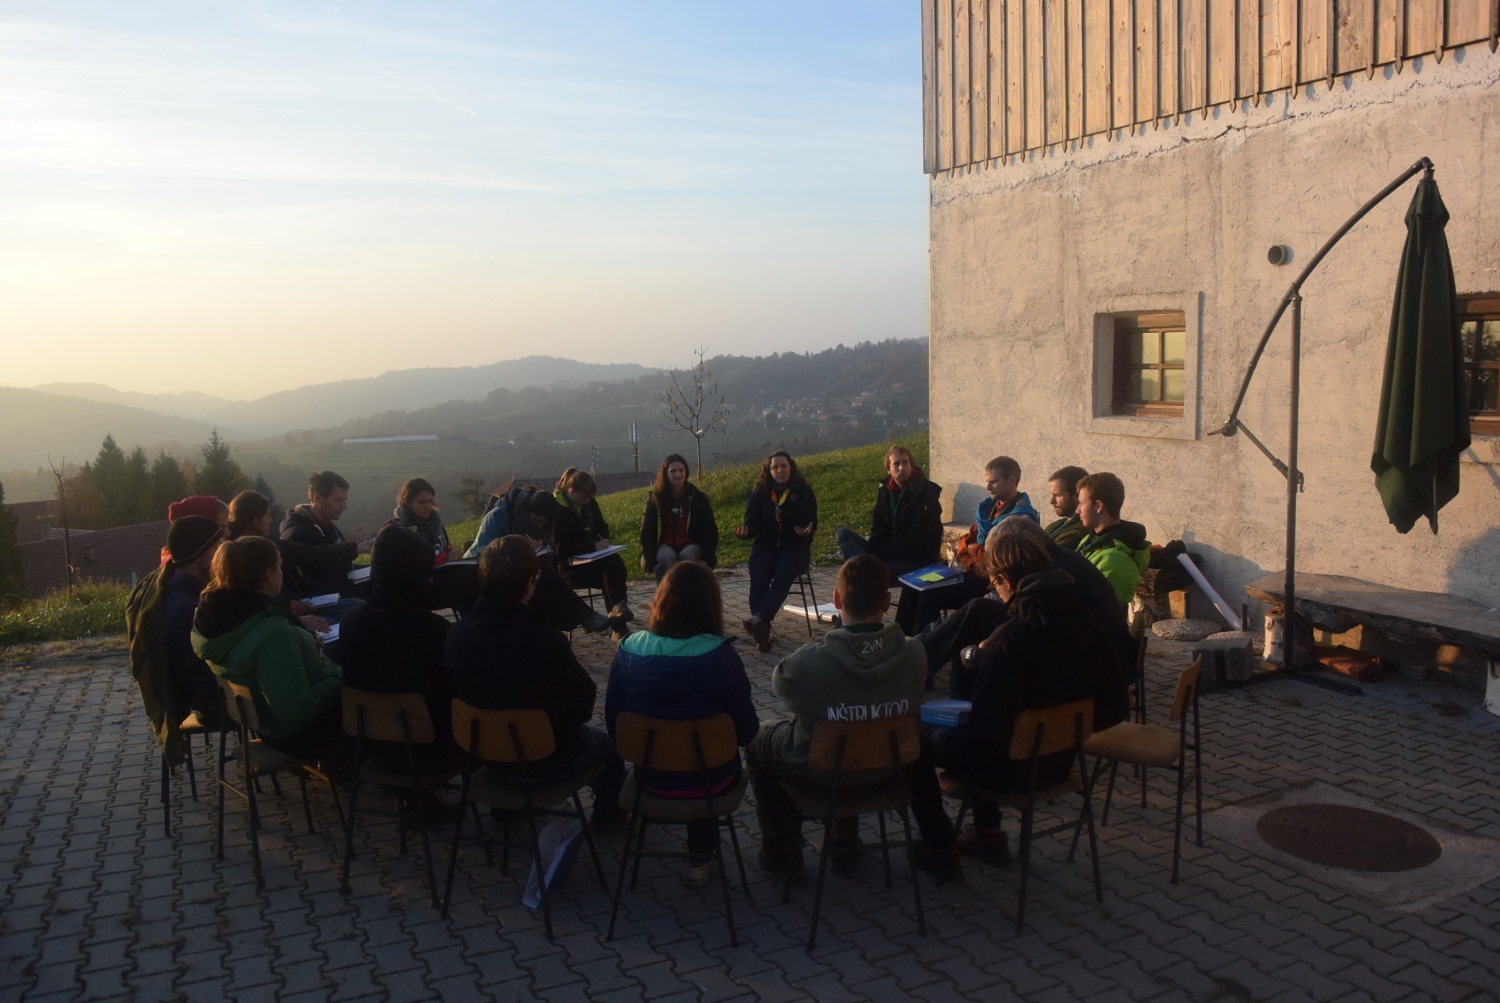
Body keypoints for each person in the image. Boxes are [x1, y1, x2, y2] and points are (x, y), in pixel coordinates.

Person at [907, 530, 1120, 869]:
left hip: (1012, 770)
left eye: (994, 585)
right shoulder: (1088, 624)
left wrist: (943, 725)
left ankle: (941, 846)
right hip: (1062, 760)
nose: (997, 594)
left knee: (908, 740)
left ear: (1005, 579)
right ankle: (987, 837)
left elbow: (983, 742)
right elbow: (1113, 704)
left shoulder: (1010, 642)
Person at [745, 556, 932, 879]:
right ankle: (845, 842)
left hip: (820, 772)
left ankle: (782, 853)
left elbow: (782, 685)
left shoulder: (806, 666)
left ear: (836, 600)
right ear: (888, 602)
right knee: (852, 734)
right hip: (889, 767)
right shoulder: (915, 655)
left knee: (759, 740)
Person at [444, 536, 625, 825]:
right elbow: (582, 706)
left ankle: (507, 807)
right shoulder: (545, 639)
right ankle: (611, 817)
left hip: (484, 755)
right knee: (606, 747)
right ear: (530, 584)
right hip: (546, 760)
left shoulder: (456, 634)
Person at [605, 561, 758, 885]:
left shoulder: (628, 650)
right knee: (701, 758)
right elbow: (747, 733)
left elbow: (613, 723)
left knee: (682, 754)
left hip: (651, 779)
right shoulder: (722, 657)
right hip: (711, 783)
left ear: (659, 602)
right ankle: (701, 859)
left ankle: (643, 822)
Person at [916, 516, 1134, 700]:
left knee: (977, 622)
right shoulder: (1056, 561)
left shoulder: (1052, 570)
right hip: (1091, 653)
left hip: (1093, 665)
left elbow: (1035, 622)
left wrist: (994, 644)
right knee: (978, 611)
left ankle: (918, 663)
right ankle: (919, 657)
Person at [192, 536, 344, 759]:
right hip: (299, 735)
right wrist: (338, 677)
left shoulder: (210, 618)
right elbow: (295, 710)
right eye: (280, 567)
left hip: (264, 724)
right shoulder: (274, 634)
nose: (282, 573)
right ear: (268, 574)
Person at [337, 525, 454, 769]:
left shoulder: (350, 622)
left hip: (372, 748)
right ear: (418, 574)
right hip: (431, 752)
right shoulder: (434, 630)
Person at [897, 456, 1039, 636]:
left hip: (991, 583)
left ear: (1012, 480)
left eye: (993, 482)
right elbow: (965, 542)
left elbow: (994, 560)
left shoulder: (1021, 518)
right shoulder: (988, 508)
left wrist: (973, 552)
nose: (987, 488)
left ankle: (923, 651)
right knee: (913, 585)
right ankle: (899, 644)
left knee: (929, 593)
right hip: (970, 572)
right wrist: (973, 552)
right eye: (987, 482)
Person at [127, 514, 227, 763]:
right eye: (217, 549)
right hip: (212, 702)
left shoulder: (173, 587)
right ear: (199, 553)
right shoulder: (186, 608)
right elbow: (213, 666)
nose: (222, 557)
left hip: (198, 693)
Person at [731, 450, 817, 653]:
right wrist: (745, 533)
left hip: (794, 545)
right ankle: (761, 629)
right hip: (766, 544)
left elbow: (811, 520)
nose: (779, 470)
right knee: (758, 572)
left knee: (784, 572)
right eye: (774, 467)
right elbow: (752, 523)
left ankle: (760, 621)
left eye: (783, 466)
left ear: (791, 467)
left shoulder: (803, 491)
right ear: (768, 470)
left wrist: (805, 531)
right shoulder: (760, 492)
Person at [833, 444, 944, 582]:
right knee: (843, 533)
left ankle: (864, 572)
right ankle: (865, 569)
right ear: (888, 469)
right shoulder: (886, 492)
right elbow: (878, 528)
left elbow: (913, 540)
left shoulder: (926, 494)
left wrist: (879, 556)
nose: (902, 468)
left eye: (905, 462)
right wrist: (873, 552)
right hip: (885, 554)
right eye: (896, 464)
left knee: (865, 574)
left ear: (912, 465)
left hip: (915, 560)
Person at [553, 467, 633, 625]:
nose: (588, 501)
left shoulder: (589, 503)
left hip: (594, 561)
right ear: (571, 491)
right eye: (584, 498)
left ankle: (618, 609)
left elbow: (602, 527)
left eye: (590, 498)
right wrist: (592, 546)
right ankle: (619, 623)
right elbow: (561, 549)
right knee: (610, 575)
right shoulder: (556, 509)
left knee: (613, 563)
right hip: (569, 567)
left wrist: (603, 541)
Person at [280, 471, 372, 598]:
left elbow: (342, 567)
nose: (344, 506)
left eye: (345, 500)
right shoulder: (297, 533)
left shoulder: (326, 524)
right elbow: (317, 579)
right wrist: (352, 547)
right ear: (317, 498)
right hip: (325, 601)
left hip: (341, 590)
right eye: (338, 500)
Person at [1075, 472, 1151, 606]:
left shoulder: (1116, 560)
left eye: (1081, 503)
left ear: (1098, 506)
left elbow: (1090, 609)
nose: (1077, 510)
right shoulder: (1091, 540)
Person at [638, 454, 718, 580]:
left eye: (681, 470)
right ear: (665, 474)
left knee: (689, 557)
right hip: (665, 544)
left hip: (690, 543)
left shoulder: (698, 498)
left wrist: (708, 560)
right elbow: (646, 532)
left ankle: (690, 596)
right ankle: (667, 596)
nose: (678, 474)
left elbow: (710, 530)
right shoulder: (655, 499)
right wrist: (650, 561)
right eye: (673, 471)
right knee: (666, 558)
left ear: (686, 471)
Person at [388, 477, 455, 563]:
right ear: (407, 502)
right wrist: (444, 559)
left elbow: (447, 549)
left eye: (430, 501)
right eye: (422, 502)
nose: (428, 507)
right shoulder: (395, 530)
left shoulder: (437, 526)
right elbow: (405, 564)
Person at [1043, 466, 1090, 551]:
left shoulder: (1079, 532)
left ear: (1077, 495)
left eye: (1058, 495)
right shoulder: (1054, 526)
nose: (1052, 501)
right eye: (1052, 495)